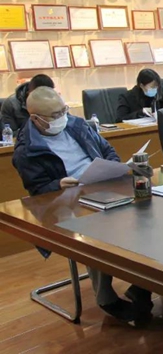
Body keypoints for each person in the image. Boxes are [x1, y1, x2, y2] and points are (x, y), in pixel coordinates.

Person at [12, 87, 152, 323]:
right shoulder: (26, 150)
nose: (62, 118)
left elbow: (107, 150)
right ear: (35, 118)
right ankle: (105, 297)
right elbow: (37, 192)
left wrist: (114, 169)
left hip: (101, 186)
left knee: (146, 215)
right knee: (96, 228)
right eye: (55, 115)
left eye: (63, 111)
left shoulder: (77, 125)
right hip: (66, 202)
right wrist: (57, 184)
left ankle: (142, 285)